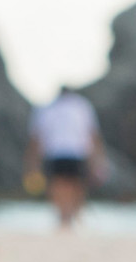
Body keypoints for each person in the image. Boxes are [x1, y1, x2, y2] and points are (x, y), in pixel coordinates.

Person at [25, 85, 107, 227]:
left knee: (59, 185)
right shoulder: (82, 106)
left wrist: (32, 164)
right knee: (75, 185)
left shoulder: (47, 109)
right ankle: (70, 216)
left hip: (57, 152)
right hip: (75, 152)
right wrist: (98, 160)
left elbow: (36, 139)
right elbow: (93, 136)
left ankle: (64, 217)